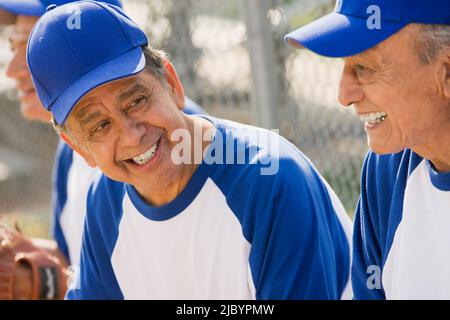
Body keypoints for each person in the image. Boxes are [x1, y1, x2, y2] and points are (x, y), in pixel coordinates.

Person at [28, 1, 353, 300]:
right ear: (79, 148)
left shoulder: (269, 176)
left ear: (172, 83)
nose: (131, 136)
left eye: (137, 101)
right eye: (100, 126)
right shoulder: (107, 200)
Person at [0, 0, 204, 300]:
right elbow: (86, 268)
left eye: (33, 46)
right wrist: (37, 272)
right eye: (13, 45)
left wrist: (51, 282)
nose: (14, 69)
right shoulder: (71, 154)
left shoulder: (171, 142)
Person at [285, 0, 450, 299]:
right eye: (344, 66)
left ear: (447, 72)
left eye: (364, 67)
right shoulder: (387, 169)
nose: (343, 96)